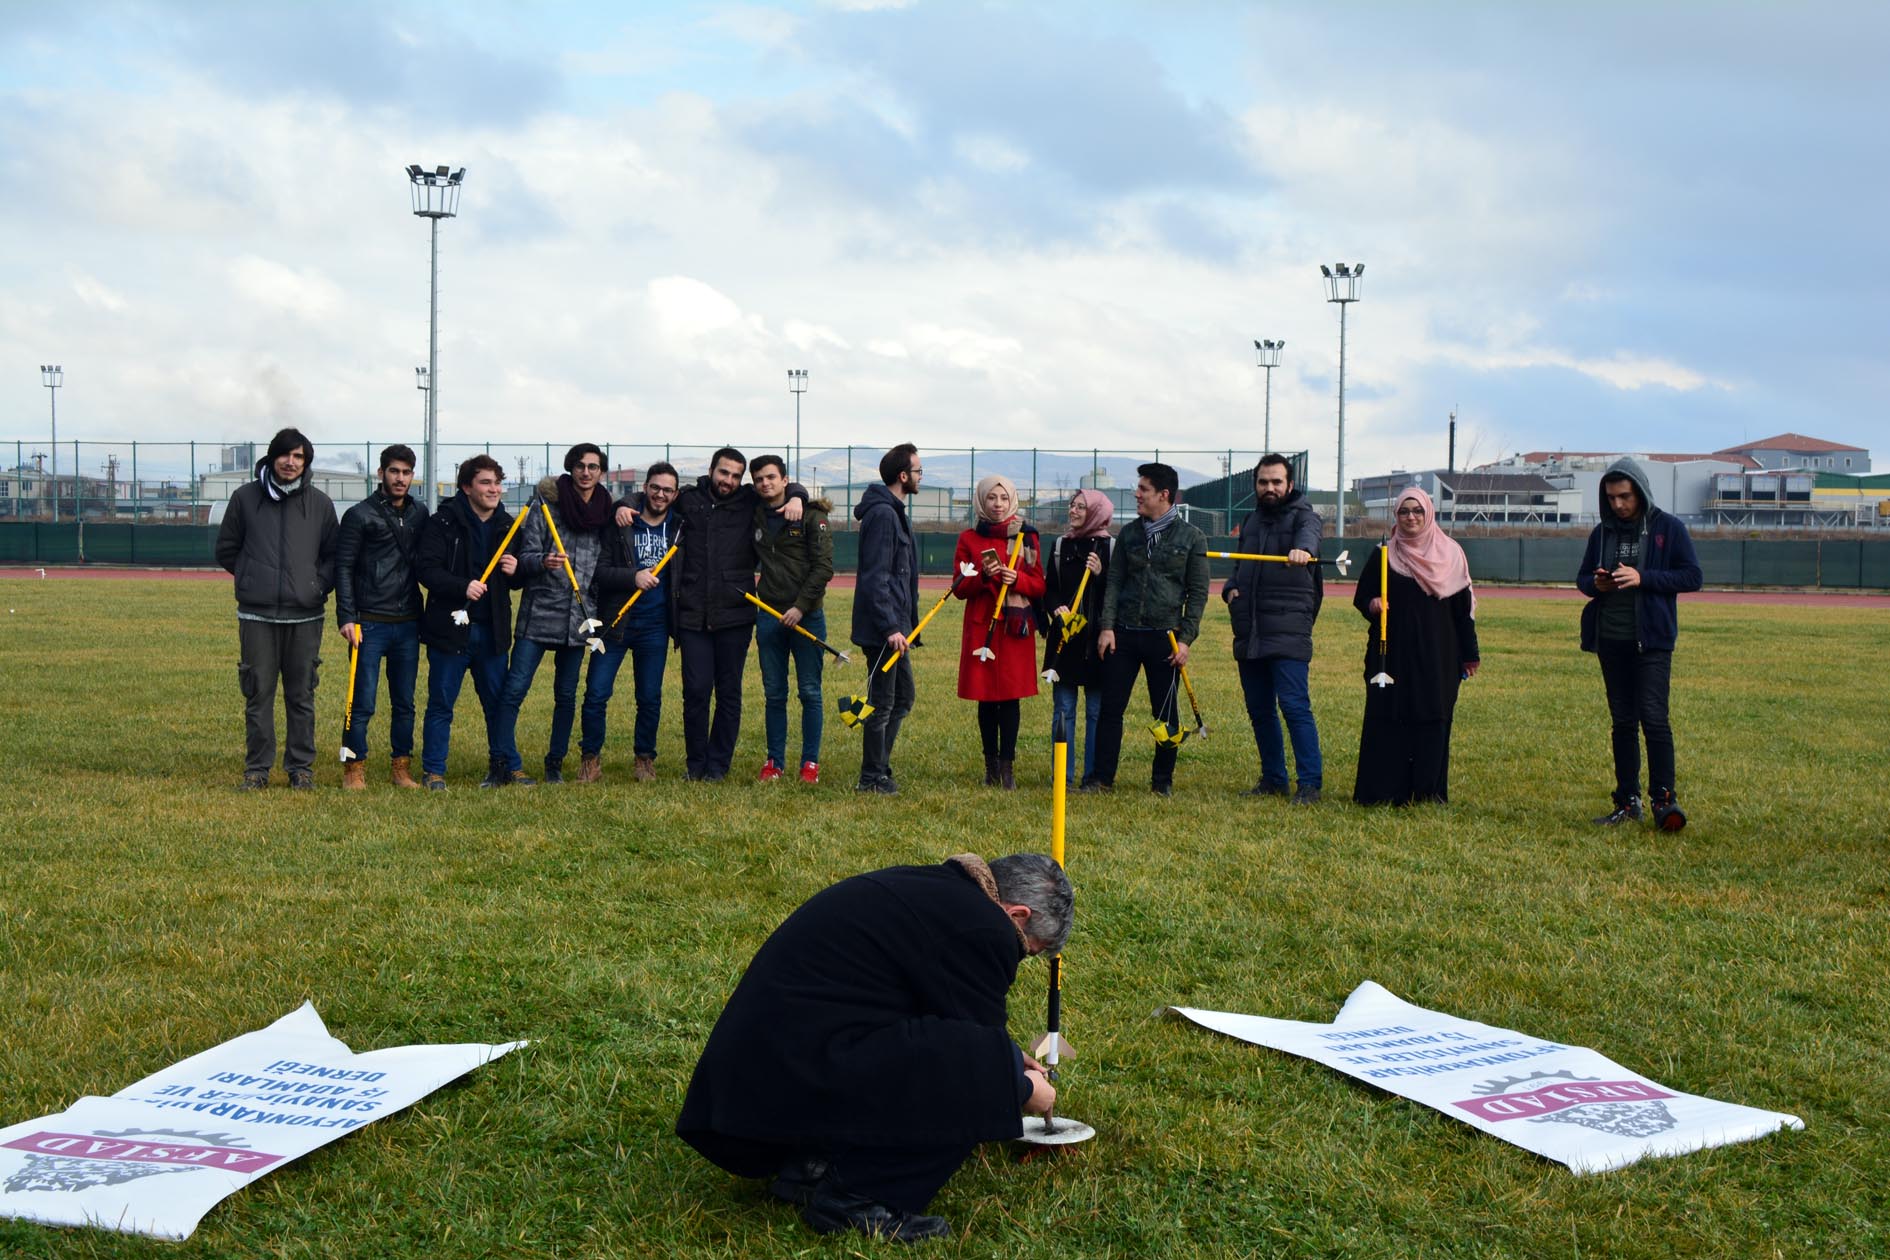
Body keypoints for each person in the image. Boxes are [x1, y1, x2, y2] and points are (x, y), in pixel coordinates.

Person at [676, 852, 1072, 1243]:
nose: (1019, 955)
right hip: (795, 1075)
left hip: (760, 1084)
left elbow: (952, 1020)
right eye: (1028, 950)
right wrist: (1021, 1090)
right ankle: (855, 1198)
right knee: (971, 1073)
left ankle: (814, 1166)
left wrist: (1005, 1057)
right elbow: (973, 1057)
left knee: (969, 1058)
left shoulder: (940, 891)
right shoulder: (985, 927)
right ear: (1018, 915)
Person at [1576, 457, 1703, 831]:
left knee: (1655, 718)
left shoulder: (1669, 528)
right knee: (1622, 721)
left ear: (1641, 491)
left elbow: (1692, 576)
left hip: (1652, 642)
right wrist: (1594, 584)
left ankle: (1665, 800)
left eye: (1625, 496)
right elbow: (1582, 578)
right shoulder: (1601, 534)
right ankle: (1627, 801)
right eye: (1612, 497)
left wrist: (1643, 577)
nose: (1618, 504)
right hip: (1611, 639)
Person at [666, 447, 803, 781]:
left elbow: (781, 489)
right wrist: (625, 506)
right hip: (693, 615)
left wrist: (798, 496)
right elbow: (651, 501)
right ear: (711, 471)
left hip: (736, 614)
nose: (728, 480)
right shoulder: (688, 500)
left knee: (729, 692)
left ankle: (717, 766)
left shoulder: (748, 501)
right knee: (696, 691)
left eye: (734, 475)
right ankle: (695, 764)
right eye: (723, 472)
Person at [215, 427, 336, 790]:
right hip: (257, 617)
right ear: (272, 457)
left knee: (302, 697)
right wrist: (254, 579)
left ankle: (301, 769)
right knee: (258, 694)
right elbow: (226, 549)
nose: (291, 462)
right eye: (285, 454)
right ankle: (257, 769)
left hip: (306, 617)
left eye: (299, 456)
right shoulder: (244, 499)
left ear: (306, 462)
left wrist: (314, 586)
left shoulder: (320, 504)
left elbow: (332, 556)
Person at [491, 444, 619, 786]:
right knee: (514, 689)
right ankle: (504, 761)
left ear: (601, 473)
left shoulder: (605, 510)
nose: (586, 472)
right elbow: (526, 553)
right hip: (539, 613)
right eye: (580, 466)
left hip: (579, 619)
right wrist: (541, 561)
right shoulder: (545, 505)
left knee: (566, 695)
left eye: (593, 467)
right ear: (570, 469)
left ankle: (554, 763)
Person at [1351, 487, 1480, 805]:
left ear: (1428, 513)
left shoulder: (1451, 555)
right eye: (1404, 512)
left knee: (1432, 716)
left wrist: (1470, 654)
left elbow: (1462, 612)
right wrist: (1373, 604)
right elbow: (1361, 597)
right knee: (1388, 716)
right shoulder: (1384, 554)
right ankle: (1385, 792)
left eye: (1417, 511)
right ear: (1396, 516)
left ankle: (1428, 792)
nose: (1411, 517)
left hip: (1439, 656)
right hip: (1391, 654)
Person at [1089, 462, 1210, 796]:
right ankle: (1101, 779)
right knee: (1111, 708)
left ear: (1164, 495)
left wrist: (1185, 640)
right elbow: (1114, 582)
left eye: (1143, 489)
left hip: (1165, 639)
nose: (1136, 494)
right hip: (1124, 634)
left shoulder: (1192, 538)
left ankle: (1162, 783)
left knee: (1166, 714)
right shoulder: (1129, 533)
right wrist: (1108, 627)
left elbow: (1198, 594)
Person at [1221, 454, 1325, 803]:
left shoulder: (1305, 517)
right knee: (1260, 710)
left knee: (1295, 707)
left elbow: (1310, 535)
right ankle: (1273, 778)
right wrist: (1230, 590)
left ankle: (1309, 783)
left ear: (1289, 485)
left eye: (1276, 482)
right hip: (1249, 629)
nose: (1270, 488)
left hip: (1287, 629)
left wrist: (1303, 551)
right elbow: (1238, 567)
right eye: (1264, 482)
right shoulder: (1249, 522)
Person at [414, 455, 517, 791]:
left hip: (492, 631)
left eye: (497, 483)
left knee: (497, 704)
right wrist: (462, 586)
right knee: (441, 703)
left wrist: (520, 569)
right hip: (451, 629)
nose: (494, 489)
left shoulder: (509, 525)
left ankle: (504, 766)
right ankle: (433, 771)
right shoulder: (443, 522)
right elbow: (426, 569)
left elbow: (517, 580)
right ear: (466, 487)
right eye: (486, 482)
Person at [334, 444, 430, 790]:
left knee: (405, 702)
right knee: (361, 701)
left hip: (407, 623)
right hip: (368, 623)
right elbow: (343, 568)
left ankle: (401, 768)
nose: (400, 478)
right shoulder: (359, 515)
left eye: (406, 472)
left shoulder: (421, 514)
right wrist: (347, 616)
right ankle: (353, 767)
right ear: (381, 474)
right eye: (394, 471)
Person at [953, 474, 1045, 790]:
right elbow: (959, 588)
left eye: (1004, 498)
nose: (997, 504)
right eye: (991, 498)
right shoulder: (968, 539)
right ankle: (990, 766)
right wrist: (981, 576)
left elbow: (1039, 584)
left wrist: (1014, 578)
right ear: (981, 500)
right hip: (982, 626)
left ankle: (1007, 769)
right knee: (985, 698)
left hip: (1014, 630)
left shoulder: (1027, 537)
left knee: (1009, 698)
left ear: (1012, 500)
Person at [592, 461, 680, 782]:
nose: (660, 494)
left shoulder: (679, 527)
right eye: (655, 487)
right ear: (645, 487)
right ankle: (590, 757)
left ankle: (645, 758)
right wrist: (634, 577)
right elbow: (599, 572)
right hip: (615, 622)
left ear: (675, 494)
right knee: (596, 694)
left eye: (667, 490)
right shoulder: (622, 523)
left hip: (655, 627)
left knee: (649, 697)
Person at [750, 455, 835, 783]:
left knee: (810, 691)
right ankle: (774, 762)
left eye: (771, 477)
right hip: (769, 616)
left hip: (806, 616)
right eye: (758, 479)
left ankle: (809, 764)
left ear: (785, 480)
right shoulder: (754, 513)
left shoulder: (813, 516)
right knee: (774, 692)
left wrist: (800, 607)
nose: (764, 484)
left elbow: (824, 568)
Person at [851, 444, 923, 794]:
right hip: (884, 631)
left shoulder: (894, 512)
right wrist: (891, 627)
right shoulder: (882, 515)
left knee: (903, 697)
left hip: (897, 629)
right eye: (918, 471)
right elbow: (875, 578)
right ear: (903, 476)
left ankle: (880, 767)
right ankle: (871, 777)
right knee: (881, 703)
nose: (921, 477)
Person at [1042, 489, 1113, 788]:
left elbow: (1116, 592)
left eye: (1081, 507)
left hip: (1096, 640)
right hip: (1065, 640)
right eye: (1072, 506)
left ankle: (1093, 777)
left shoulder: (1110, 547)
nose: (1073, 511)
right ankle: (1063, 777)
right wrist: (1054, 607)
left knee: (1096, 712)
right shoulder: (1060, 545)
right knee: (1064, 709)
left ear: (1096, 511)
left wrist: (1101, 573)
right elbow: (1049, 588)